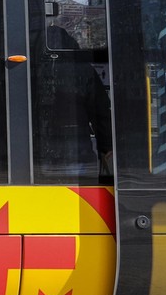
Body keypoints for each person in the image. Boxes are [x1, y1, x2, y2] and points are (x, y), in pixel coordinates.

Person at [30, 20, 113, 182]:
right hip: (77, 151)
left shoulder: (31, 71)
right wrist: (106, 146)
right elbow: (101, 113)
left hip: (40, 151)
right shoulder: (84, 70)